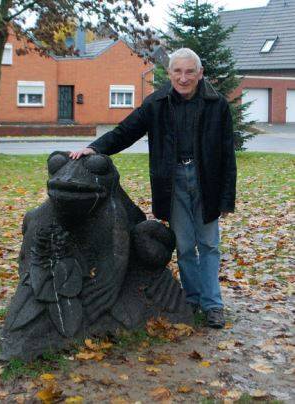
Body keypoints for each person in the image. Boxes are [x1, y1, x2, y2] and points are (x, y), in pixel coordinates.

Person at [69, 48, 236, 328]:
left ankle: (212, 305)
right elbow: (126, 131)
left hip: (207, 180)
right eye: (178, 71)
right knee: (184, 246)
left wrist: (226, 198)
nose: (183, 78)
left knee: (208, 244)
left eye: (189, 71)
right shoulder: (157, 103)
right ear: (169, 74)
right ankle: (193, 299)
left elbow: (227, 156)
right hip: (172, 183)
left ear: (200, 74)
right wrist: (95, 148)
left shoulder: (216, 104)